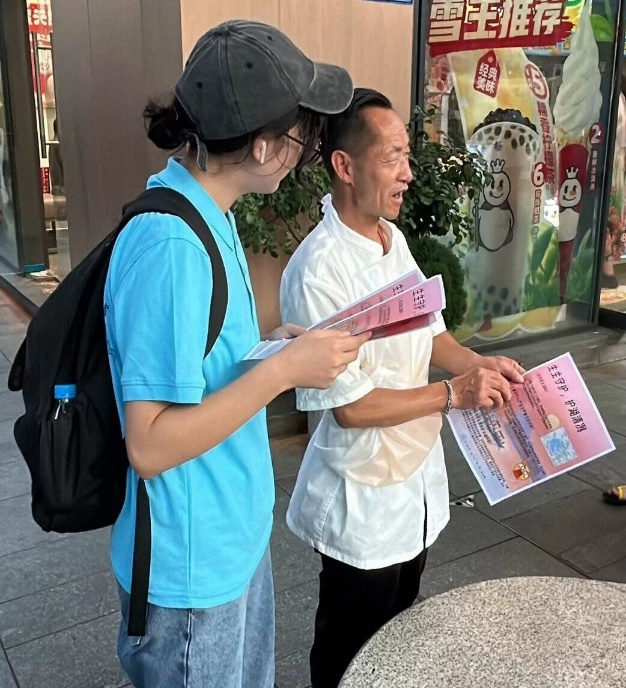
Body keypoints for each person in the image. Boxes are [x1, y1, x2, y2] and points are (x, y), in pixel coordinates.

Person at [104, 21, 369, 688]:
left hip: (225, 540)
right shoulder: (171, 246)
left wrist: (268, 349)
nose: (304, 153)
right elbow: (150, 443)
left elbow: (198, 366)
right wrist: (282, 371)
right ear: (264, 146)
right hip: (192, 573)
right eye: (303, 136)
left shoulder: (209, 212)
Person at [279, 88, 526, 688]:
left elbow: (431, 335)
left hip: (412, 482)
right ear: (345, 166)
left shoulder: (394, 242)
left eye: (407, 156)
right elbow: (351, 408)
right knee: (349, 648)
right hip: (361, 497)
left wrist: (484, 367)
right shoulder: (318, 270)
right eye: (392, 157)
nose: (407, 173)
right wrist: (454, 395)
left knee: (398, 638)